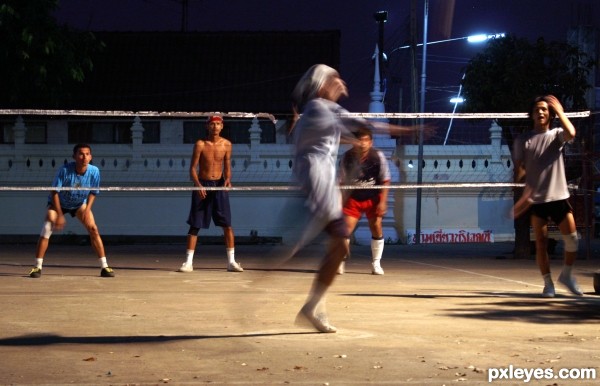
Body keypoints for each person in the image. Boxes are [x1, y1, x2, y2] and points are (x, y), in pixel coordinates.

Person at [290, 64, 428, 333]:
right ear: (321, 86)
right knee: (337, 243)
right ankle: (310, 301)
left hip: (320, 185)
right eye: (334, 80)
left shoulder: (316, 113)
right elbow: (365, 125)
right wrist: (408, 130)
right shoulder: (321, 107)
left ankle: (313, 304)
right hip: (319, 185)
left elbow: (341, 136)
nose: (340, 83)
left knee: (340, 246)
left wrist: (356, 143)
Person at [512, 95, 582, 297]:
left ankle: (567, 275)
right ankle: (548, 283)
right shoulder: (523, 140)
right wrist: (522, 191)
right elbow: (520, 172)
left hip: (559, 197)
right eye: (537, 109)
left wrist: (560, 111)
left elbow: (571, 132)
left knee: (572, 240)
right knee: (541, 244)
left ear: (550, 113)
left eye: (544, 109)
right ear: (532, 114)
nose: (540, 112)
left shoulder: (557, 134)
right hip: (538, 200)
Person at [29, 143, 115, 278]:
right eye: (81, 154)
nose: (84, 157)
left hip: (79, 204)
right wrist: (60, 215)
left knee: (93, 229)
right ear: (74, 156)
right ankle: (37, 267)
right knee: (47, 228)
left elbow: (93, 192)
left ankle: (104, 266)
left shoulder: (94, 171)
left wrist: (87, 210)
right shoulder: (64, 170)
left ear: (91, 156)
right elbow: (54, 192)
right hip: (58, 203)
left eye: (87, 154)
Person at [177, 115, 243, 273]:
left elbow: (227, 165)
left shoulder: (227, 144)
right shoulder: (200, 144)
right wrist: (198, 185)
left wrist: (228, 179)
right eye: (212, 124)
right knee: (195, 225)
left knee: (227, 224)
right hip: (203, 185)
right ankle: (188, 262)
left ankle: (231, 262)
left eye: (218, 124)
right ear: (207, 126)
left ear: (222, 126)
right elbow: (193, 168)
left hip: (219, 186)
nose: (215, 127)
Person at [338, 126, 390, 275]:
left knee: (376, 226)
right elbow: (341, 182)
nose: (362, 143)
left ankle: (376, 264)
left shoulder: (378, 156)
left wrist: (383, 202)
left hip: (373, 197)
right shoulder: (346, 158)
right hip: (353, 197)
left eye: (366, 140)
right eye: (359, 140)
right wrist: (339, 202)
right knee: (345, 229)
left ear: (371, 142)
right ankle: (340, 262)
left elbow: (386, 180)